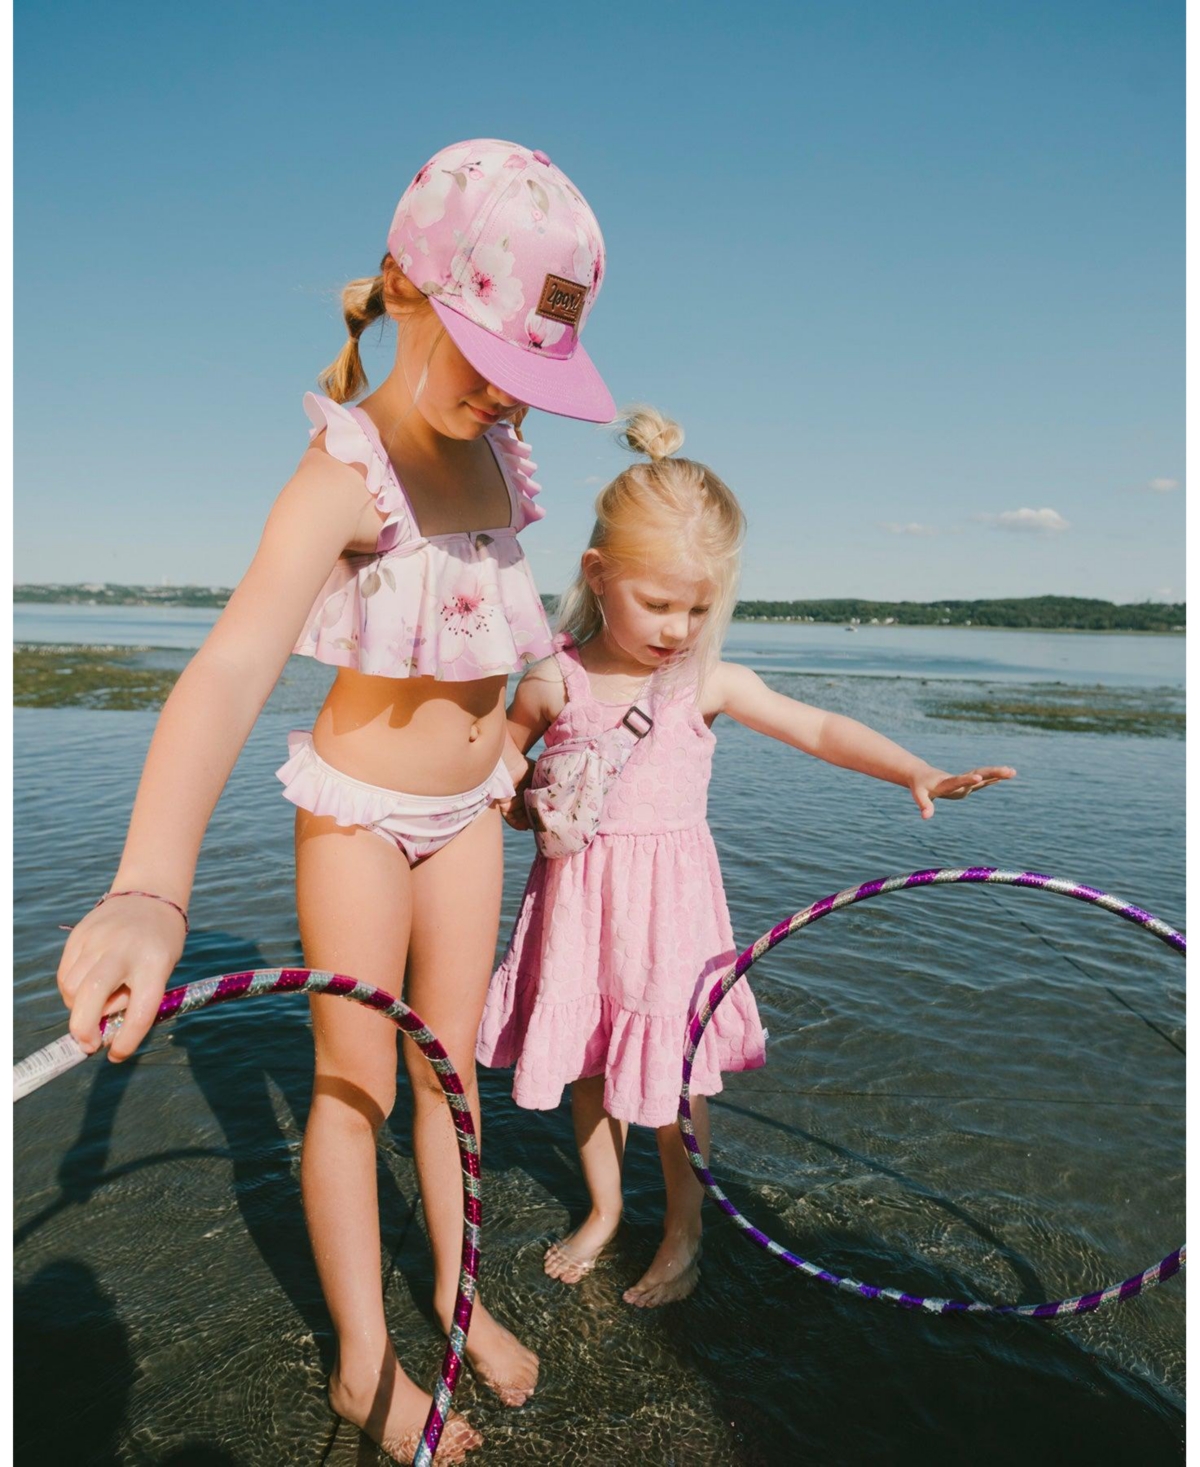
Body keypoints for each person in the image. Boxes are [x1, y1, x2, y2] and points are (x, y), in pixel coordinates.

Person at [56, 138, 615, 1464]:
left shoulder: (506, 463)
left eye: (525, 374)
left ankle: (454, 1293)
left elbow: (482, 650)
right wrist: (149, 887)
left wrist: (529, 764)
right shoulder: (344, 473)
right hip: (360, 810)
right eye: (487, 358)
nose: (503, 394)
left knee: (452, 1080)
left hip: (474, 810)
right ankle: (365, 1361)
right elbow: (230, 666)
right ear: (405, 293)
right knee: (356, 1079)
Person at [477, 408, 1016, 1309]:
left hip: (673, 917)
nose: (680, 626)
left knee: (676, 1082)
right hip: (579, 911)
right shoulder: (552, 677)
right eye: (659, 602)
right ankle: (606, 1210)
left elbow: (815, 724)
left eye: (699, 606)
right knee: (590, 1070)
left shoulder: (704, 682)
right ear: (596, 575)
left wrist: (912, 767)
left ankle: (683, 1233)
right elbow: (500, 743)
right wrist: (500, 776)